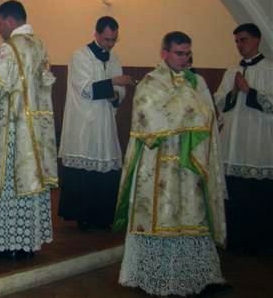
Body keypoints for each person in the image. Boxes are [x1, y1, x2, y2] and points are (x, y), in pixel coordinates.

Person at [114, 31, 226, 296]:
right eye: (179, 53)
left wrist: (191, 112)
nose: (185, 59)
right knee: (160, 218)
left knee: (191, 217)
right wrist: (188, 113)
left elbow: (208, 114)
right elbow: (146, 119)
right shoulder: (150, 83)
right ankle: (153, 276)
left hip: (189, 165)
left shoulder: (196, 82)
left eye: (188, 54)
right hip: (158, 163)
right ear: (164, 53)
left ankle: (196, 276)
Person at [0, 0, 57, 258]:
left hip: (12, 130)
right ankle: (26, 244)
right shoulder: (39, 45)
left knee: (8, 184)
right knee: (29, 183)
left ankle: (5, 245)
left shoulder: (10, 48)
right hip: (36, 130)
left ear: (10, 21)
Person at [58, 16, 134, 231]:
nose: (110, 44)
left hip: (105, 120)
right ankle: (83, 217)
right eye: (107, 39)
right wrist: (114, 82)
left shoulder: (114, 59)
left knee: (105, 162)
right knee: (85, 164)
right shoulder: (80, 56)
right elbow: (85, 88)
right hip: (84, 120)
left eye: (114, 40)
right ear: (96, 34)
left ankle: (103, 216)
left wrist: (116, 94)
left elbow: (119, 92)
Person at [214, 23, 273, 254]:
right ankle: (235, 241)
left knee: (259, 195)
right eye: (237, 41)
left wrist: (250, 91)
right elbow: (219, 102)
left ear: (257, 40)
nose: (239, 45)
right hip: (234, 141)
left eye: (244, 40)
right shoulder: (231, 71)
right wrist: (234, 91)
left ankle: (261, 244)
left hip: (259, 140)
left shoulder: (269, 70)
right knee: (235, 193)